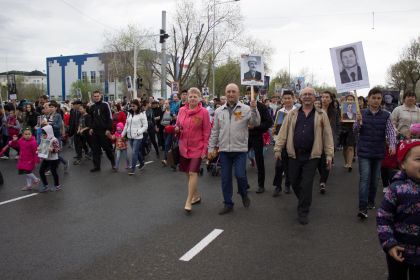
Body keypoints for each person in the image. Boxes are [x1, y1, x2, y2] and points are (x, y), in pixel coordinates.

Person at [274, 87, 334, 225]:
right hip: (293, 154)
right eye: (304, 94)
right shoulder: (292, 114)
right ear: (300, 98)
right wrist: (277, 149)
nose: (307, 96)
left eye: (310, 94)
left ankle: (303, 211)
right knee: (294, 181)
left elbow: (328, 136)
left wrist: (329, 155)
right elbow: (283, 133)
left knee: (307, 183)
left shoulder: (321, 114)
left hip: (312, 156)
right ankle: (304, 200)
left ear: (314, 98)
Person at [208, 83, 261, 215]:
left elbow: (255, 123)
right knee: (225, 179)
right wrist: (210, 148)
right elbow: (215, 131)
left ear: (238, 93)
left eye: (233, 92)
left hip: (240, 150)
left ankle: (243, 193)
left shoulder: (246, 109)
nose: (231, 94)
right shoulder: (219, 111)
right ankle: (228, 203)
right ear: (226, 94)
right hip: (224, 150)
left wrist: (254, 110)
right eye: (228, 92)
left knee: (240, 175)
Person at [377, 140, 420, 279]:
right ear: (403, 164)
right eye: (418, 159)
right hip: (399, 248)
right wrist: (389, 244)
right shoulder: (396, 189)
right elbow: (383, 218)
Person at [354, 87, 397, 220]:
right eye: (374, 98)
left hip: (378, 151)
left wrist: (392, 144)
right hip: (364, 152)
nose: (376, 101)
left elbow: (390, 131)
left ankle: (371, 201)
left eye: (379, 98)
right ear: (368, 98)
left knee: (374, 180)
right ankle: (362, 207)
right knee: (365, 179)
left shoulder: (386, 115)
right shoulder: (361, 113)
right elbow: (355, 131)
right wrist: (358, 122)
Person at [175, 87, 211, 212]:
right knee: (187, 172)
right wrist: (176, 129)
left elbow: (207, 132)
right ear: (187, 98)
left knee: (192, 172)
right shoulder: (182, 110)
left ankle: (188, 200)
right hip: (184, 146)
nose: (192, 98)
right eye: (190, 96)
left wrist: (205, 150)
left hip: (198, 147)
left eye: (195, 96)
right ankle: (195, 196)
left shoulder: (204, 112)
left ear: (199, 98)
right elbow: (178, 125)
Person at [246, 86, 273, 194]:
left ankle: (261, 185)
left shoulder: (262, 107)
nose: (249, 95)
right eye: (248, 92)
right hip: (245, 137)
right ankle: (244, 184)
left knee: (259, 161)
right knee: (240, 159)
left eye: (251, 92)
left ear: (256, 93)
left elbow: (268, 123)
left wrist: (256, 127)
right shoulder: (243, 106)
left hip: (257, 136)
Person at [272, 90, 296, 196]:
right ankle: (277, 186)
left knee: (290, 165)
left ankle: (288, 184)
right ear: (282, 100)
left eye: (289, 98)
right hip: (281, 142)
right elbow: (276, 126)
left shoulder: (298, 111)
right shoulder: (279, 111)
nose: (287, 100)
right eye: (285, 98)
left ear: (293, 98)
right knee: (279, 165)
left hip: (293, 142)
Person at [317, 91, 340, 194]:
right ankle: (322, 174)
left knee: (327, 160)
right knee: (318, 160)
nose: (325, 99)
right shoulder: (316, 111)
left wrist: (336, 138)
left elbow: (337, 126)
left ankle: (323, 182)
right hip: (317, 139)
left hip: (330, 140)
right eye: (323, 97)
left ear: (331, 100)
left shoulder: (335, 112)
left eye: (327, 97)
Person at [89, 90, 116, 172]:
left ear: (100, 96)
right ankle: (97, 166)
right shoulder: (92, 107)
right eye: (95, 96)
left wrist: (108, 129)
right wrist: (91, 128)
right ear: (93, 97)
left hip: (104, 131)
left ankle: (113, 162)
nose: (96, 97)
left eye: (98, 96)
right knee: (95, 150)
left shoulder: (105, 105)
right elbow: (92, 119)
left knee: (107, 148)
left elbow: (110, 118)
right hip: (95, 132)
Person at [122, 99, 148, 175]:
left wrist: (138, 132)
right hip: (130, 136)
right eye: (131, 106)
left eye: (134, 106)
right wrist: (122, 135)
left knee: (134, 153)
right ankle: (142, 163)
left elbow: (145, 126)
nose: (132, 107)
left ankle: (132, 169)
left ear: (138, 105)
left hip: (138, 137)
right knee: (136, 151)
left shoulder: (142, 114)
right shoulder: (129, 113)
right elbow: (126, 125)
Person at [38, 125, 61, 192]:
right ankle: (45, 185)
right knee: (41, 171)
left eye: (44, 135)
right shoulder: (44, 139)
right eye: (42, 135)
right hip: (46, 158)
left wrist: (51, 149)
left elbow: (58, 149)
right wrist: (39, 150)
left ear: (49, 133)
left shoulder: (54, 140)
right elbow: (41, 147)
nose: (43, 136)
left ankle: (57, 186)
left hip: (53, 159)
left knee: (53, 172)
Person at [341, 94, 358, 172]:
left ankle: (350, 164)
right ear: (346, 100)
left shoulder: (357, 111)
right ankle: (346, 162)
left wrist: (358, 117)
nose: (350, 101)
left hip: (352, 130)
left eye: (352, 99)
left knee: (351, 147)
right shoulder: (342, 109)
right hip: (344, 129)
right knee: (345, 148)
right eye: (348, 99)